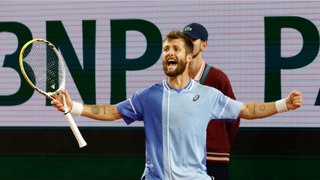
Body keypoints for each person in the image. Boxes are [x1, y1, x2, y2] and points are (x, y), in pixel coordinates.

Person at [51, 30, 302, 180]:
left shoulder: (208, 95)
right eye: (165, 49)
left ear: (188, 56)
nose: (169, 52)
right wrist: (74, 107)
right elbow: (113, 111)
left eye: (176, 49)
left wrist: (283, 105)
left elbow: (246, 110)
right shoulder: (148, 96)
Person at [182, 22, 240, 180]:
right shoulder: (175, 79)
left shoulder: (217, 78)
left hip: (213, 159)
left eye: (191, 40)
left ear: (203, 45)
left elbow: (234, 118)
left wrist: (219, 142)